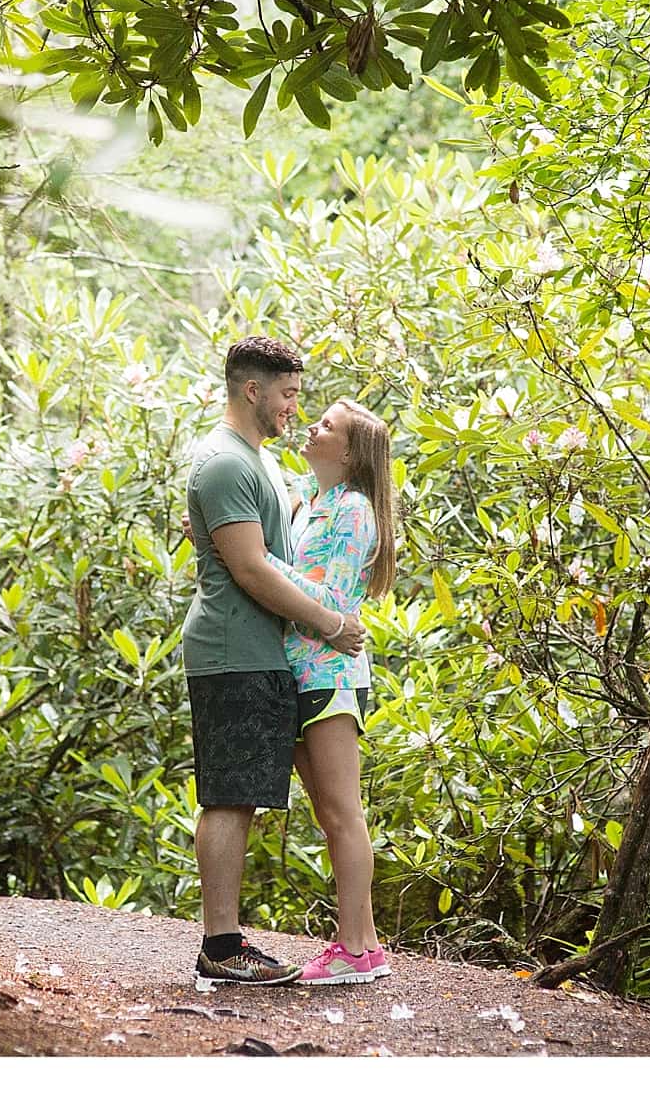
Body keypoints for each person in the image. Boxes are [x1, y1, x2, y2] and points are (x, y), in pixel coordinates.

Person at [183, 336, 367, 987]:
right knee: (230, 798)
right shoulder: (227, 462)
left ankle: (227, 941)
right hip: (233, 650)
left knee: (242, 797)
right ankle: (221, 946)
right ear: (253, 389)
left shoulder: (254, 461)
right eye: (288, 393)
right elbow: (252, 568)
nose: (295, 406)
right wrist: (331, 623)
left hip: (261, 655)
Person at [277, 399, 399, 984]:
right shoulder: (311, 499)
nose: (312, 427)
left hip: (329, 677)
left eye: (327, 426)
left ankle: (355, 949)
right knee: (329, 815)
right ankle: (363, 945)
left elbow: (328, 604)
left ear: (349, 453)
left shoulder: (353, 512)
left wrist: (260, 563)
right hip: (296, 674)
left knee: (342, 814)